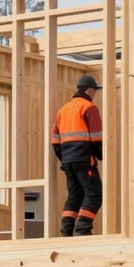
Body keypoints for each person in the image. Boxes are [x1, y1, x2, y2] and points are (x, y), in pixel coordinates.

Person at [51, 74, 104, 236]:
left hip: (68, 161)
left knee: (75, 195)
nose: (95, 94)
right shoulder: (89, 108)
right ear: (89, 90)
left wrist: (64, 159)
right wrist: (101, 155)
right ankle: (82, 228)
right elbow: (96, 138)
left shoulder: (63, 110)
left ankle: (66, 231)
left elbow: (55, 140)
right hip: (83, 159)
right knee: (94, 193)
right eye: (95, 91)